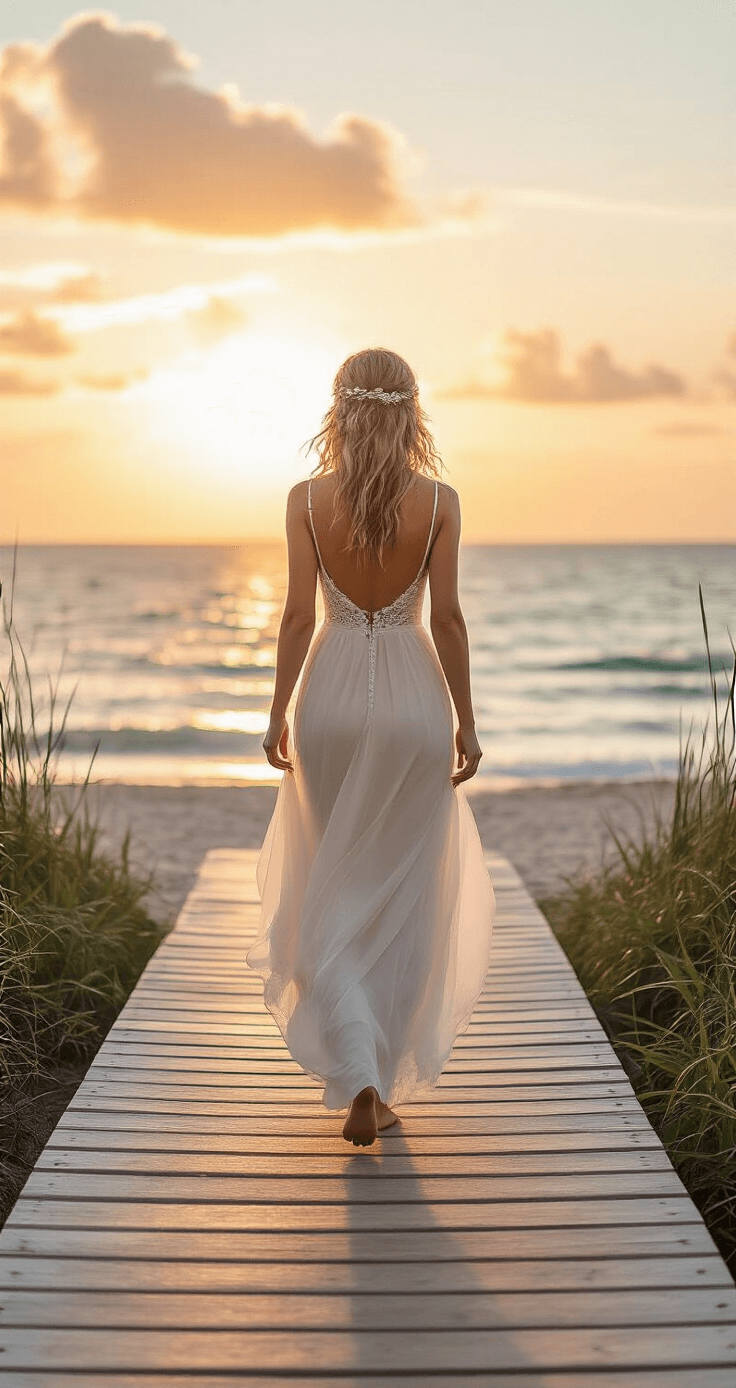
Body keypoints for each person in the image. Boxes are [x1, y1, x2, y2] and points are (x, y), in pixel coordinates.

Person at [245, 347, 495, 1146]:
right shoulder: (443, 501)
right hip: (417, 705)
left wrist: (278, 711)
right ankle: (373, 1077)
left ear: (340, 408)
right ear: (411, 409)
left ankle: (359, 1074)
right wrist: (466, 719)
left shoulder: (305, 500)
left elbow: (295, 618)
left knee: (330, 879)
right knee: (407, 890)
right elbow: (447, 620)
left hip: (330, 703)